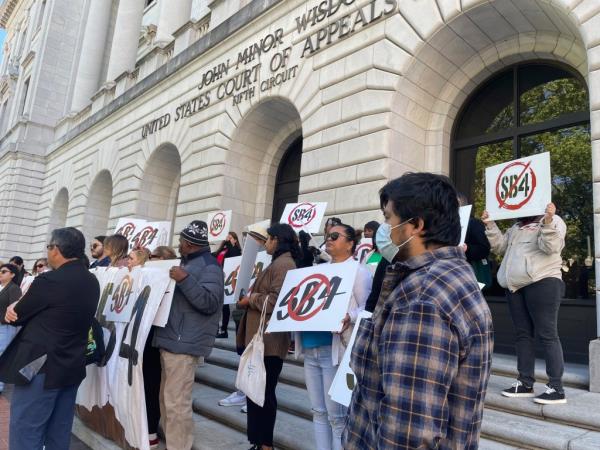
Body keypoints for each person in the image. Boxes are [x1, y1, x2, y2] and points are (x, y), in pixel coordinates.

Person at [343, 173, 493, 449]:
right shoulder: (449, 277)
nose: (384, 229)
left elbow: (408, 432)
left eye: (388, 219)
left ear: (416, 225)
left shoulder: (422, 298)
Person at [0, 227, 100, 450]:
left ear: (56, 249)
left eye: (48, 248)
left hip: (40, 366)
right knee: (59, 431)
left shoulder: (49, 281)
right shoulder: (92, 281)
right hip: (72, 365)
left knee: (26, 430)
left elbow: (18, 316)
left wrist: (14, 307)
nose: (47, 253)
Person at [294, 223, 371, 450]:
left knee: (337, 417)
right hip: (310, 347)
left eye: (335, 236)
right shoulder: (319, 270)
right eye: (328, 235)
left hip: (335, 350)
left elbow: (367, 309)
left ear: (350, 244)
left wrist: (350, 315)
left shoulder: (359, 272)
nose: (329, 239)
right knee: (318, 412)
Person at [483, 203, 567, 404]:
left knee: (548, 334)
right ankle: (525, 382)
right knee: (523, 335)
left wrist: (547, 222)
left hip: (543, 281)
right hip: (514, 287)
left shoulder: (554, 221)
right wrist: (490, 224)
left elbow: (552, 247)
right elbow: (499, 247)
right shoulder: (516, 227)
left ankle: (556, 387)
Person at [152, 220, 224, 450]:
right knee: (167, 401)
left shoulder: (209, 267)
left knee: (176, 403)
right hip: (172, 339)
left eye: (181, 242)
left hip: (185, 343)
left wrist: (184, 279)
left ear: (190, 244)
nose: (179, 246)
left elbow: (210, 302)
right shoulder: (186, 262)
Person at [236, 223, 299, 450]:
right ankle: (257, 441)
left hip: (269, 342)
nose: (266, 243)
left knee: (263, 393)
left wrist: (249, 300)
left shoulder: (284, 264)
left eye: (269, 238)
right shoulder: (278, 263)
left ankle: (265, 444)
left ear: (278, 240)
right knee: (255, 393)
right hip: (261, 337)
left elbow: (275, 300)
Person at [214, 232, 242, 339]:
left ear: (235, 240)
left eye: (231, 238)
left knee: (224, 305)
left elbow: (233, 257)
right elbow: (215, 255)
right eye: (227, 237)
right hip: (218, 277)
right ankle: (215, 328)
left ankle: (224, 329)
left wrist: (230, 245)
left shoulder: (236, 250)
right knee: (216, 305)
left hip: (227, 280)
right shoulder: (223, 249)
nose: (228, 239)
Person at [0, 263, 21, 394]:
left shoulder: (14, 289)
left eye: (4, 271)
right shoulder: (2, 287)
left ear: (12, 274)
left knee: (1, 355)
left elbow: (15, 309)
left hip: (5, 327)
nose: (0, 273)